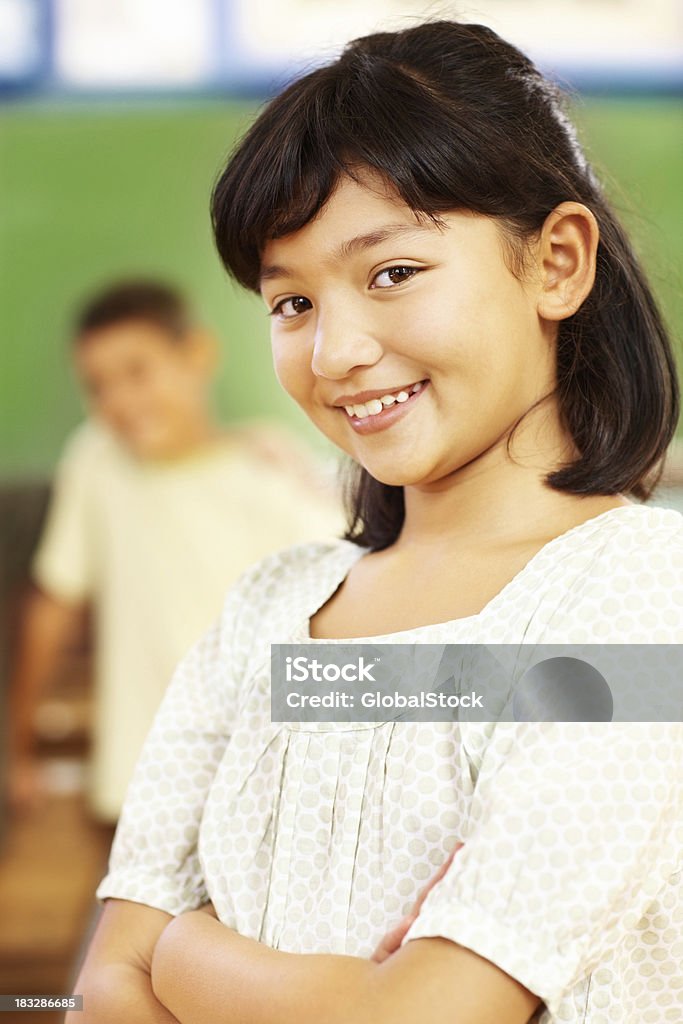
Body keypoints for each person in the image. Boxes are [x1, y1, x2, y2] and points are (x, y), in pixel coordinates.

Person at [69, 20, 683, 1024]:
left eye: (391, 273)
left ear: (556, 263)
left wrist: (181, 953)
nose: (335, 350)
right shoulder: (264, 618)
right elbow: (102, 988)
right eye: (290, 303)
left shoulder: (637, 595)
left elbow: (423, 1013)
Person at [7, 279, 343, 822]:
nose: (117, 401)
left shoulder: (275, 480)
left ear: (198, 355)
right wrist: (18, 747)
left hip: (247, 793)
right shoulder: (97, 459)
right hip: (137, 786)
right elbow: (55, 602)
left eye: (138, 372)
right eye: (97, 386)